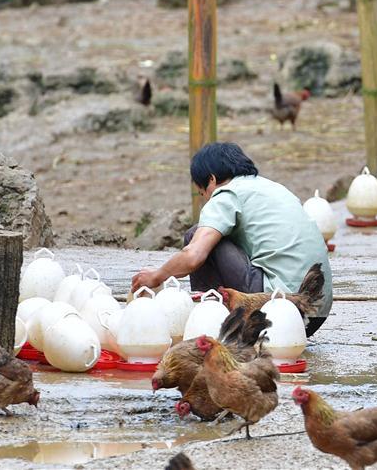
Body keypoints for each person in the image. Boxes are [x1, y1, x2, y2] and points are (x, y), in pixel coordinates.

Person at [131, 142, 333, 335]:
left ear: (211, 180)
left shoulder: (227, 194)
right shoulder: (272, 188)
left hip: (277, 309)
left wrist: (156, 276)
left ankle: (211, 320)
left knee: (196, 235)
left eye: (203, 193)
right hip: (314, 313)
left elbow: (194, 256)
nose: (206, 200)